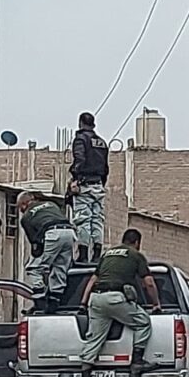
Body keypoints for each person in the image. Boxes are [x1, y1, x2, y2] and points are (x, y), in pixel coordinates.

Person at [79, 229, 161, 377]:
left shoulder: (107, 254)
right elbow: (149, 283)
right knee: (143, 322)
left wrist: (83, 303)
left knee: (94, 338)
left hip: (96, 299)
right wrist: (156, 304)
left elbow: (93, 279)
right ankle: (137, 363)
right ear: (137, 242)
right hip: (115, 298)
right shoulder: (136, 255)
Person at [18, 191, 76, 314]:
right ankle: (54, 301)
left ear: (24, 204)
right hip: (70, 233)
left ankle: (40, 302)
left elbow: (35, 244)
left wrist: (39, 253)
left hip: (52, 233)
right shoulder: (51, 204)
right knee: (60, 268)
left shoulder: (27, 217)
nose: (21, 211)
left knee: (34, 268)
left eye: (20, 208)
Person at [69, 111, 110, 264]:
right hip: (98, 185)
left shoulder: (80, 139)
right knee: (97, 220)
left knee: (83, 220)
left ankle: (84, 254)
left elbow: (79, 159)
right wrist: (101, 183)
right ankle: (97, 253)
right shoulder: (101, 142)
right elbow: (106, 167)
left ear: (80, 123)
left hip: (85, 184)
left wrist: (75, 178)